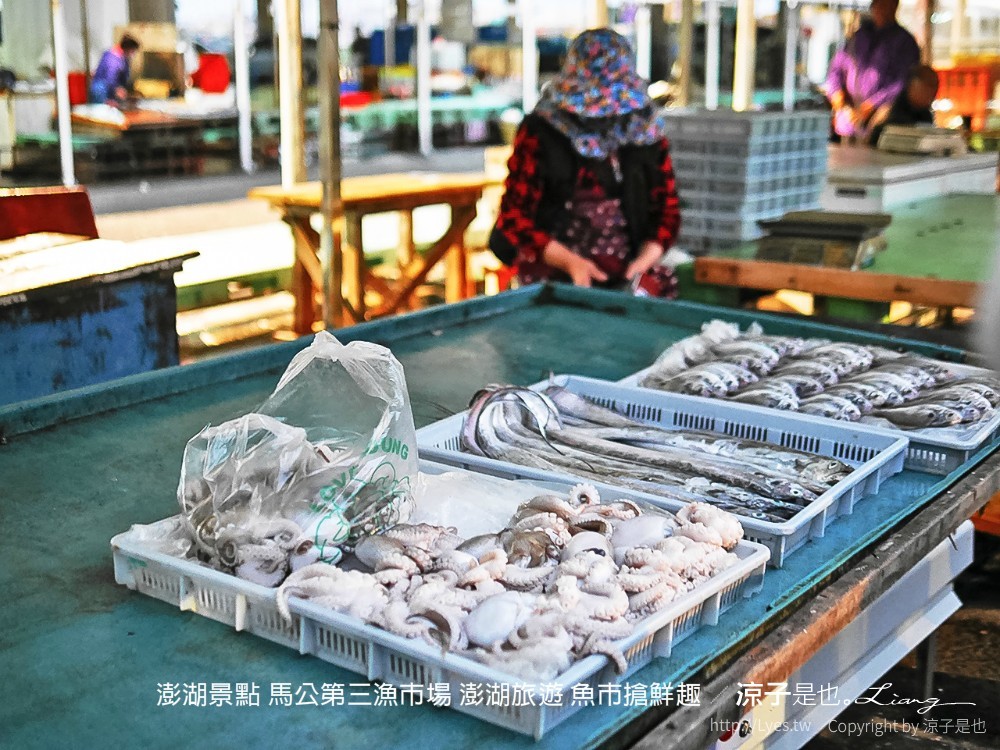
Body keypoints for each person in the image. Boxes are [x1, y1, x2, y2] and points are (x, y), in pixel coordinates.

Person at [489, 29, 681, 297]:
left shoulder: (645, 133)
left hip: (629, 278)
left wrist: (642, 264)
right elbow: (514, 217)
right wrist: (571, 263)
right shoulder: (541, 132)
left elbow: (668, 212)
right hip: (552, 280)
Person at [825, 0, 921, 142]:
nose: (883, 9)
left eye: (888, 4)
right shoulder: (858, 37)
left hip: (882, 117)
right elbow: (836, 69)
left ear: (895, 6)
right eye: (879, 4)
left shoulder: (904, 42)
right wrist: (836, 94)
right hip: (848, 115)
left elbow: (900, 82)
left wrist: (870, 105)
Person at [867, 64, 939, 145]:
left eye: (933, 90)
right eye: (926, 91)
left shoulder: (925, 114)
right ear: (911, 87)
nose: (931, 96)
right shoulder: (889, 110)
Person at [89, 33, 140, 106]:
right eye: (133, 51)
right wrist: (117, 90)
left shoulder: (122, 57)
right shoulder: (113, 58)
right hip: (101, 91)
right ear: (128, 48)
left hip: (107, 90)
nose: (133, 54)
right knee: (101, 113)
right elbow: (110, 78)